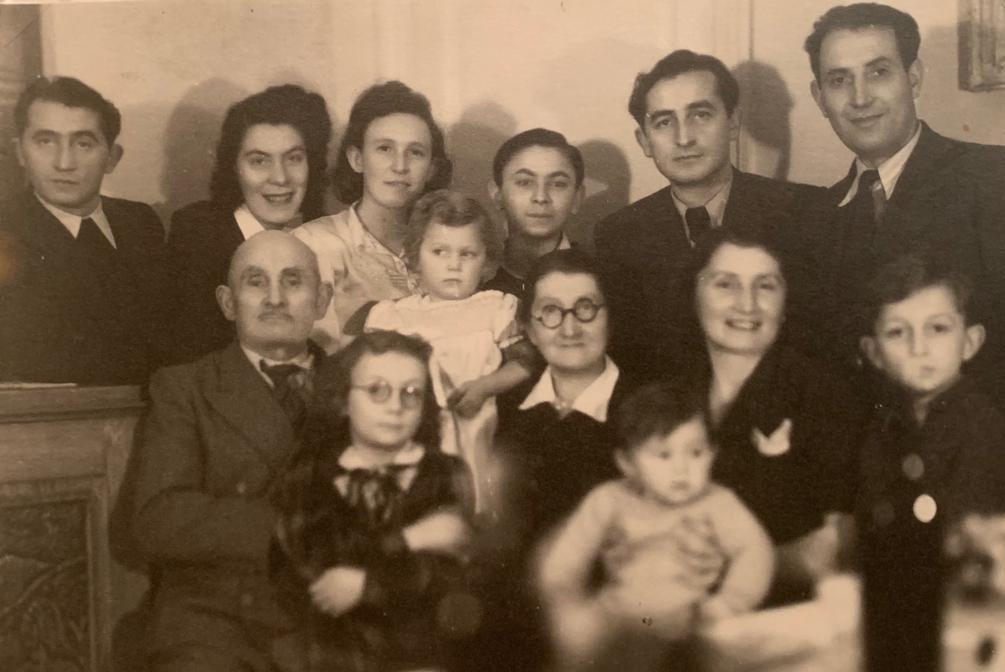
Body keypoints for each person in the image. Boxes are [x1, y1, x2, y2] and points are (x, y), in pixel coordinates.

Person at [130, 230, 332, 671]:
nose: (275, 298)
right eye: (256, 282)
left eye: (293, 281)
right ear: (227, 302)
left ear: (322, 299)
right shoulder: (185, 387)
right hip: (215, 619)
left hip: (335, 613)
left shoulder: (364, 385)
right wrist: (293, 527)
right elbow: (158, 519)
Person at [803, 2, 1005, 410]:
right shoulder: (813, 218)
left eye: (878, 72)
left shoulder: (992, 178)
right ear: (820, 98)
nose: (860, 98)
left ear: (913, 78)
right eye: (839, 80)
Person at [594, 50, 825, 382]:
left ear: (732, 122)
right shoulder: (619, 235)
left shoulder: (805, 211)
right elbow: (628, 363)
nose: (684, 138)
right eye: (664, 122)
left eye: (700, 115)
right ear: (644, 141)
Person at [678, 226, 864, 604]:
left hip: (791, 611)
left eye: (765, 286)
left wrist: (724, 570)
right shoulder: (672, 393)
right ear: (693, 296)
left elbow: (827, 552)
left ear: (786, 302)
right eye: (725, 284)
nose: (747, 304)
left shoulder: (825, 397)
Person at [270, 330, 475, 672]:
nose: (396, 407)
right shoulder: (309, 473)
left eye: (411, 393)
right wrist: (410, 540)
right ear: (343, 400)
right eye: (377, 390)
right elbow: (321, 577)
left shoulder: (444, 472)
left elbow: (451, 580)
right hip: (332, 656)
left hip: (420, 658)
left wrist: (365, 582)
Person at [538, 382, 774, 672]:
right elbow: (569, 552)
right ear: (627, 463)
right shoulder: (609, 499)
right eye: (663, 455)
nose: (681, 469)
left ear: (713, 454)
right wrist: (564, 599)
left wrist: (730, 602)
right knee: (577, 640)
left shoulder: (717, 504)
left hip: (685, 620)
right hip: (616, 614)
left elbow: (754, 550)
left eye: (696, 453)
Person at [854, 254, 1005, 672]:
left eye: (938, 329)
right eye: (898, 332)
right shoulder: (883, 426)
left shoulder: (980, 423)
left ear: (970, 342)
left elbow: (968, 530)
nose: (919, 347)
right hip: (910, 594)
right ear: (874, 353)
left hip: (971, 596)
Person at [364, 190, 535, 511]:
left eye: (467, 254)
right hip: (410, 429)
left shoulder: (495, 308)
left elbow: (526, 363)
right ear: (415, 257)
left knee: (472, 499)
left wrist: (485, 387)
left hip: (475, 429)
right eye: (439, 252)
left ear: (486, 261)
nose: (453, 265)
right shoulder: (392, 316)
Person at [0, 76, 171, 385]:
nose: (64, 163)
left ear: (112, 157)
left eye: (83, 144)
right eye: (45, 141)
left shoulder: (140, 222)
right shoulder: (5, 228)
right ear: (20, 152)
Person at [166, 84, 332, 364]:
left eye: (293, 158)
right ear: (234, 168)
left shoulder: (323, 235)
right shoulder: (198, 234)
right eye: (259, 161)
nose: (280, 178)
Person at [295, 80, 452, 352]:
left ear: (431, 169)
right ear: (357, 159)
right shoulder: (313, 245)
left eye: (415, 153)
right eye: (384, 149)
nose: (400, 166)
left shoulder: (451, 249)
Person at [482, 128, 585, 297]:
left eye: (558, 184)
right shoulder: (471, 280)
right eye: (524, 182)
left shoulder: (601, 281)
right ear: (497, 194)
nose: (541, 197)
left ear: (577, 197)